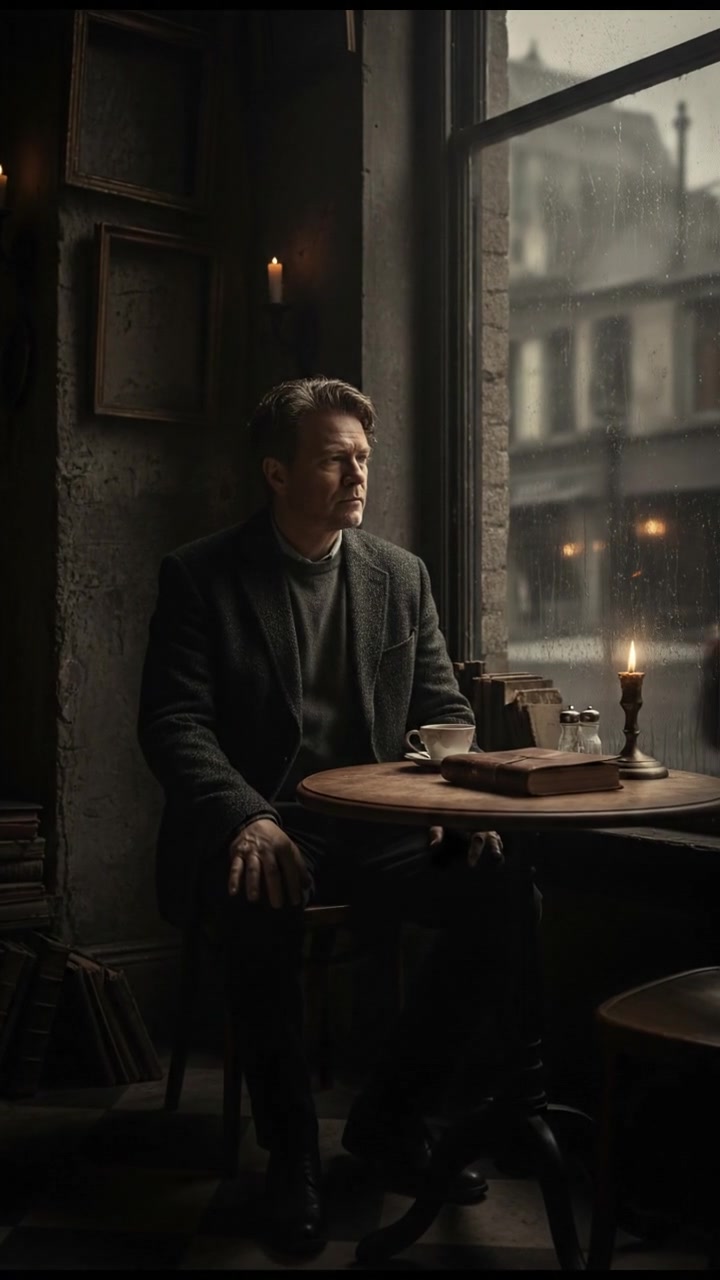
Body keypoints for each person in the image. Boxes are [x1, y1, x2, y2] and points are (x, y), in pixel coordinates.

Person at [137, 376, 538, 1256]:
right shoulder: (201, 575)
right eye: (334, 458)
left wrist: (450, 800)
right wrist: (243, 816)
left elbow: (444, 708)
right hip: (267, 818)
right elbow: (174, 723)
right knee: (261, 892)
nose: (358, 474)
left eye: (363, 457)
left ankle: (392, 1119)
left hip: (379, 822)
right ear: (277, 473)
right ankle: (293, 1157)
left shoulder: (400, 576)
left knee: (497, 884)